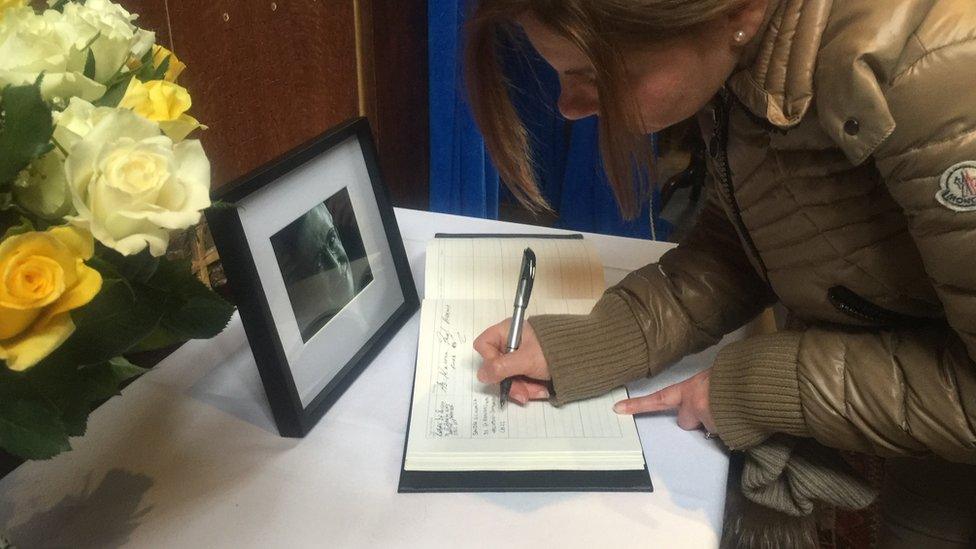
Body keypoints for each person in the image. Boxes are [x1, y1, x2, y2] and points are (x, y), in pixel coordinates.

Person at [466, 0, 976, 546]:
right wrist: (597, 340)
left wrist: (758, 386)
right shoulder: (746, 54)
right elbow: (755, 237)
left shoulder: (940, 72)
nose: (568, 107)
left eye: (594, 74)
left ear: (740, 11)